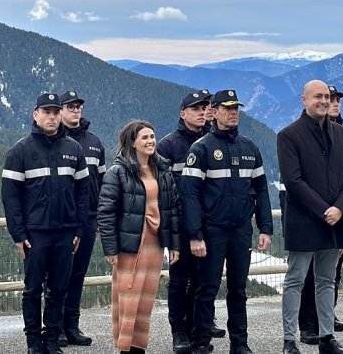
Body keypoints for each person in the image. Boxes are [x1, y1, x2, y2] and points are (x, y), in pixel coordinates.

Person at [181, 90, 275, 354]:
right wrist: (195, 235)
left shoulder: (249, 148)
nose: (233, 112)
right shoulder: (201, 149)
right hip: (212, 231)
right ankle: (200, 342)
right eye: (227, 108)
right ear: (214, 112)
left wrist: (266, 227)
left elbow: (262, 190)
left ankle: (240, 343)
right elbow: (189, 195)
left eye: (236, 108)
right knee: (207, 287)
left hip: (241, 230)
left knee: (239, 288)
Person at [1, 93, 92, 354]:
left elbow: (83, 192)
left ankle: (52, 340)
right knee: (32, 291)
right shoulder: (20, 151)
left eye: (55, 112)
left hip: (65, 233)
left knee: (58, 289)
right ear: (35, 114)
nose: (51, 117)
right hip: (35, 235)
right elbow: (10, 197)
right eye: (46, 112)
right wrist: (18, 234)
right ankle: (33, 342)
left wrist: (77, 229)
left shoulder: (73, 149)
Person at [277, 81, 343, 354]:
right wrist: (325, 210)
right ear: (304, 99)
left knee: (326, 280)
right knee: (296, 279)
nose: (324, 101)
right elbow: (294, 181)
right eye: (318, 97)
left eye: (327, 96)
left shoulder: (342, 133)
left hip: (336, 219)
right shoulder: (288, 136)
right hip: (304, 219)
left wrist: (341, 208)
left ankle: (327, 339)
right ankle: (290, 340)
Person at [99, 120, 182, 354]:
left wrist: (174, 245)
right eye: (144, 137)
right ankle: (125, 347)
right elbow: (105, 211)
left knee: (146, 299)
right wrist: (110, 248)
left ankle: (138, 348)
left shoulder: (162, 171)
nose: (151, 141)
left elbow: (173, 208)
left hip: (155, 243)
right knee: (128, 297)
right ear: (132, 142)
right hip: (130, 244)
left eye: (152, 136)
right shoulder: (118, 172)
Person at [157, 89, 224, 354]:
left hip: (210, 223)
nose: (202, 112)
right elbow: (164, 190)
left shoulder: (214, 142)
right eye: (196, 109)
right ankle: (179, 331)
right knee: (179, 279)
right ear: (183, 114)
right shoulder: (168, 146)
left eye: (205, 107)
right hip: (181, 224)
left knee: (204, 279)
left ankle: (199, 328)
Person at [297, 85, 343, 344]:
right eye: (329, 99)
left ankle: (328, 314)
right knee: (311, 272)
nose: (334, 103)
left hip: (342, 211)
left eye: (336, 100)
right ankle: (308, 323)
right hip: (315, 213)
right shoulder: (305, 133)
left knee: (333, 271)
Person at [56, 90, 105, 347]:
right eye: (70, 107)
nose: (75, 111)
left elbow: (103, 183)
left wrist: (98, 218)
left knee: (78, 275)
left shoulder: (95, 143)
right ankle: (55, 327)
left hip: (88, 220)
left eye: (78, 107)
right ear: (61, 111)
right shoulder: (55, 140)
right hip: (62, 221)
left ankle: (72, 325)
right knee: (57, 276)